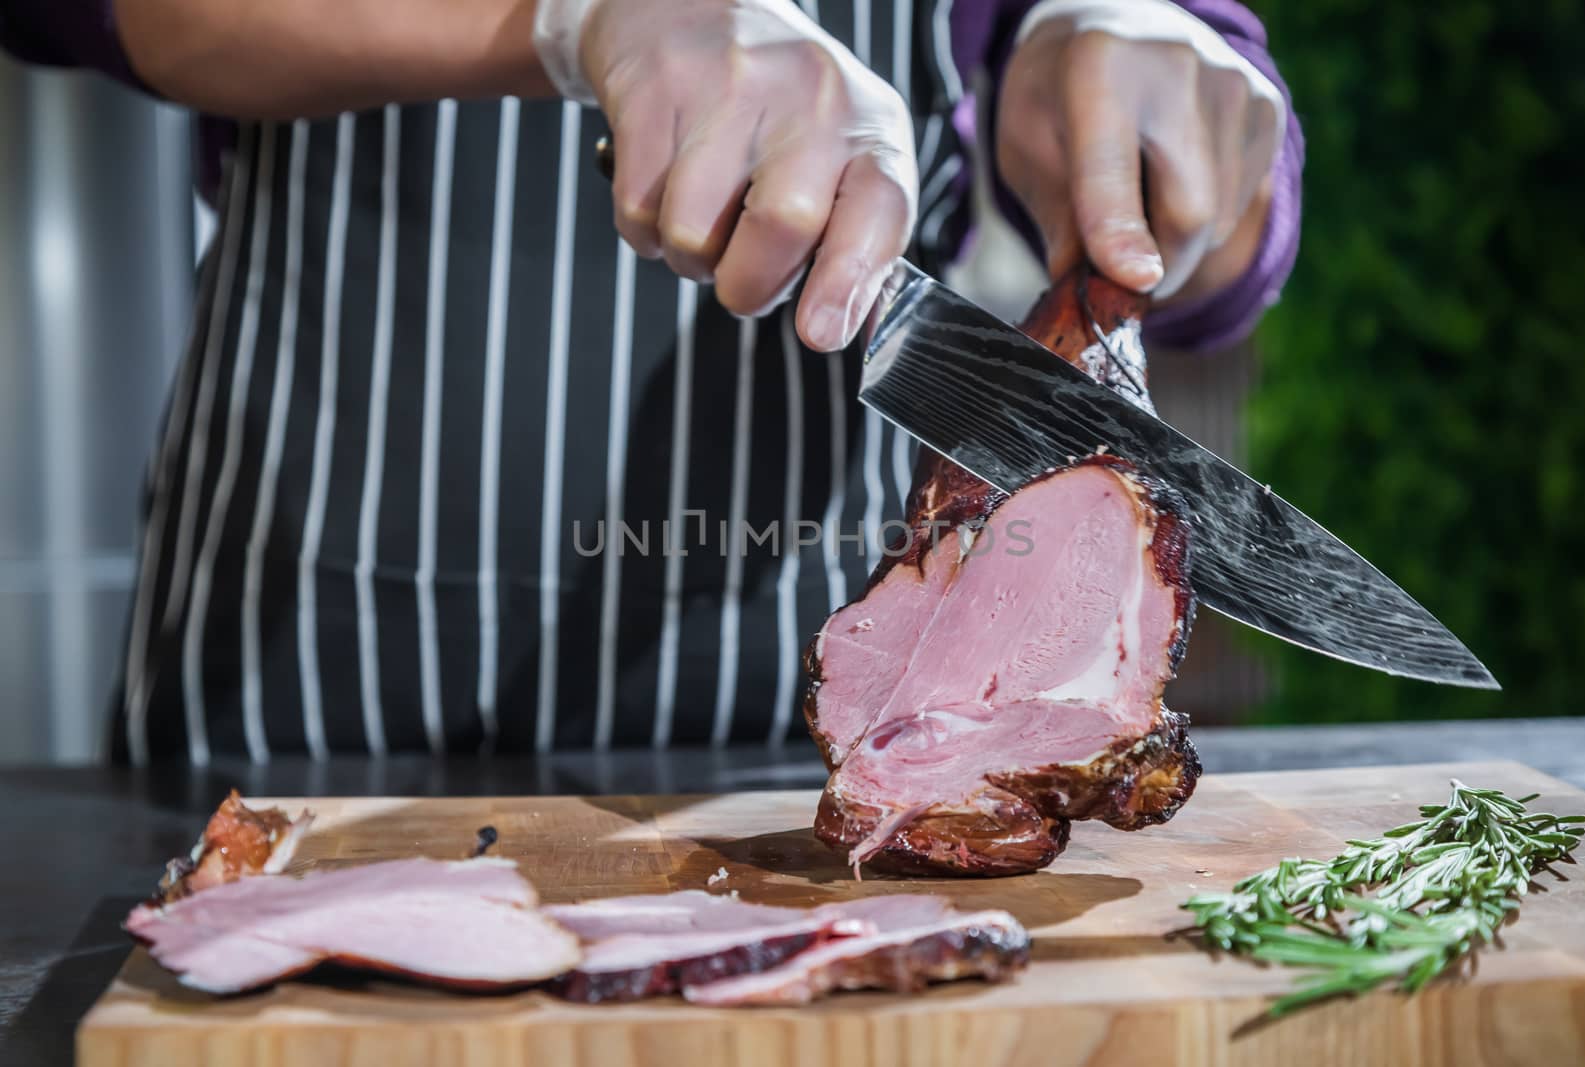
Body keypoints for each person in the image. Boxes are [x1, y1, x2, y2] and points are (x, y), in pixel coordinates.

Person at [1, 0, 1302, 764]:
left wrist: (1156, 48)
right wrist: (569, 18)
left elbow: (1223, 231)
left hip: (794, 740)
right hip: (284, 694)